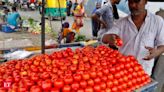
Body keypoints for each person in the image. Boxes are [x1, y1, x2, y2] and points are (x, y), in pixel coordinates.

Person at [101, 0, 164, 76]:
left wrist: (156, 52)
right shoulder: (122, 22)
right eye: (130, 2)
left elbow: (162, 45)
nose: (133, 5)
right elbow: (104, 38)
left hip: (143, 72)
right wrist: (110, 37)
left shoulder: (157, 21)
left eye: (137, 1)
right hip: (122, 70)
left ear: (145, 1)